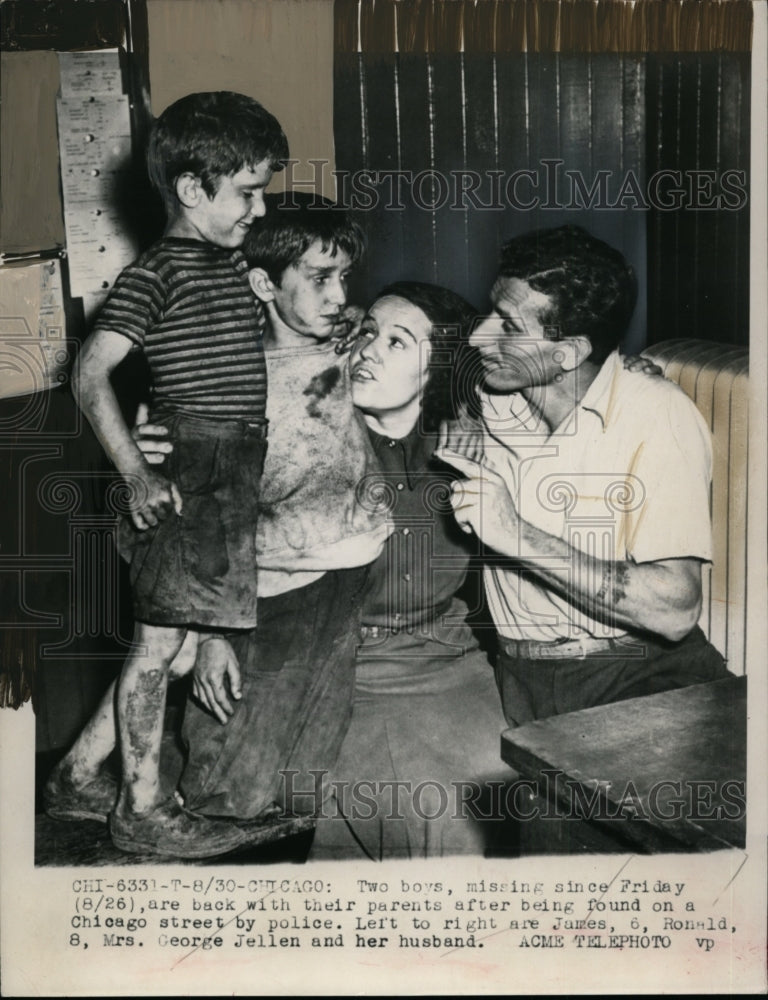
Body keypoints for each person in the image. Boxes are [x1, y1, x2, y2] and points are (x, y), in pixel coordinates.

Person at [44, 91, 289, 858]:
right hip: (191, 475)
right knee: (159, 648)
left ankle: (79, 776)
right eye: (247, 192)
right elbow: (89, 374)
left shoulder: (231, 266)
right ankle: (143, 807)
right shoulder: (157, 272)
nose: (258, 209)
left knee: (175, 646)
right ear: (192, 189)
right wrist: (137, 471)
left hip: (228, 467)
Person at [436, 224, 732, 726]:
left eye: (507, 326)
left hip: (639, 676)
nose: (478, 335)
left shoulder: (656, 415)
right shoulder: (489, 397)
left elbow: (676, 611)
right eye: (490, 311)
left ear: (568, 353)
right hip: (522, 678)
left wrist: (514, 533)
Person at [175, 194, 392, 823]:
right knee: (232, 779)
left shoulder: (341, 345)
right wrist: (213, 633)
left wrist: (354, 314)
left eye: (344, 276)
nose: (336, 294)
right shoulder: (236, 382)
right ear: (263, 283)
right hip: (267, 591)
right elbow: (207, 515)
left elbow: (378, 330)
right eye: (319, 279)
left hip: (346, 574)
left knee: (307, 771)